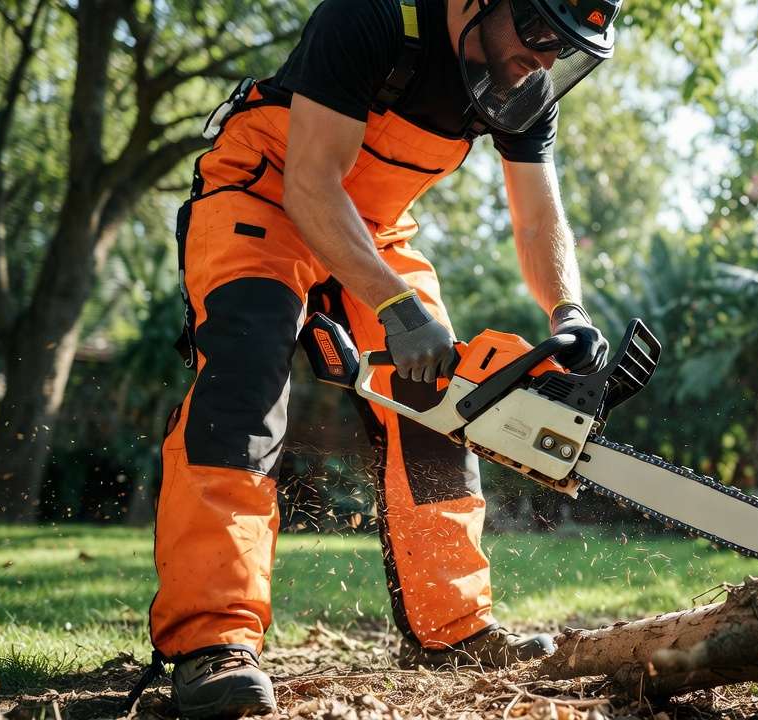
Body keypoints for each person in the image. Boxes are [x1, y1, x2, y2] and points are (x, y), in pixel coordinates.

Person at [145, 0, 623, 716]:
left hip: (374, 231)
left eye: (567, 45)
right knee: (244, 390)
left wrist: (568, 311)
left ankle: (453, 629)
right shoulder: (370, 16)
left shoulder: (521, 85)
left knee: (442, 405)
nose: (548, 56)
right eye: (540, 33)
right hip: (266, 194)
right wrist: (397, 311)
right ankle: (213, 640)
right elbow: (309, 183)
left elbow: (536, 216)